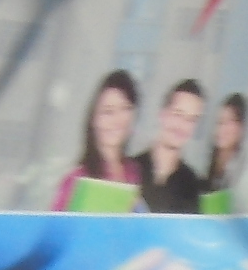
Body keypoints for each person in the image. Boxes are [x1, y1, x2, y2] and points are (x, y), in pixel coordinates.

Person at [54, 70, 145, 210]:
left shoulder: (135, 172)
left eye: (125, 109)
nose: (118, 120)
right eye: (108, 112)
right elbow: (54, 223)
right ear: (94, 119)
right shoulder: (77, 180)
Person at [137, 78, 208, 214]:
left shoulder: (193, 186)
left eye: (191, 120)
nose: (183, 126)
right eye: (178, 114)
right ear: (162, 114)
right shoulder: (130, 170)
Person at [202, 92, 248, 211]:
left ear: (241, 128)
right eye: (219, 122)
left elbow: (243, 213)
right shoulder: (207, 168)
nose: (221, 129)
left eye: (229, 122)